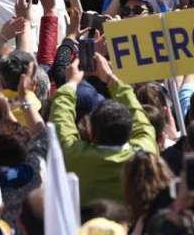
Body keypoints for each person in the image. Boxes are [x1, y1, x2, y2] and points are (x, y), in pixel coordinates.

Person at [49, 53, 157, 204]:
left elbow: (61, 119)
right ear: (131, 130)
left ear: (91, 132)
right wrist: (110, 78)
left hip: (87, 227)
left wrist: (71, 83)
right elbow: (139, 116)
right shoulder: (146, 153)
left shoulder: (74, 155)